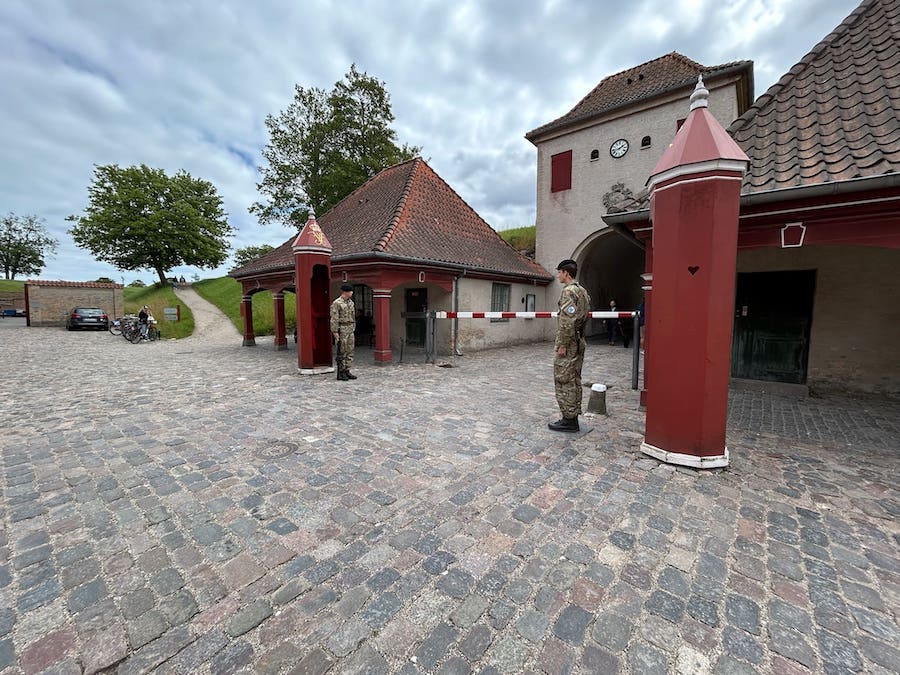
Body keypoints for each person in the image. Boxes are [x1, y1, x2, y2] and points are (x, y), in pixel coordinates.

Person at [549, 259, 591, 432]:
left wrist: (563, 344)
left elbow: (567, 321)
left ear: (566, 273)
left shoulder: (568, 292)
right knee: (574, 378)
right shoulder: (582, 291)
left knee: (564, 379)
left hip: (569, 342)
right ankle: (572, 416)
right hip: (579, 339)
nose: (558, 275)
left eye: (559, 272)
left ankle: (569, 419)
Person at [330, 283, 357, 380]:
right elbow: (334, 318)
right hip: (342, 328)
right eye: (350, 291)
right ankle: (341, 371)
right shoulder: (337, 303)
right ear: (345, 292)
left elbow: (353, 316)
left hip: (350, 328)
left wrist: (353, 326)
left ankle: (347, 370)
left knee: (350, 350)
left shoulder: (351, 303)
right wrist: (335, 331)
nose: (352, 293)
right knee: (342, 351)